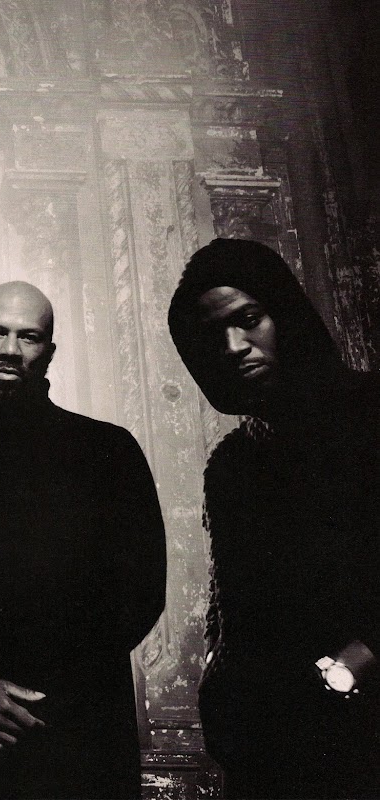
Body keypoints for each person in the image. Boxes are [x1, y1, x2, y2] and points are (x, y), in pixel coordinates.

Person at [168, 239, 379, 799]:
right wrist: (222, 694)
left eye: (248, 319)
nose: (234, 346)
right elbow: (237, 608)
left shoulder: (369, 412)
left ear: (283, 314)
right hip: (269, 752)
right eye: (214, 334)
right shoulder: (230, 463)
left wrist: (352, 665)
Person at [0, 281, 167, 800]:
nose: (9, 349)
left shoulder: (107, 450)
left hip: (79, 743)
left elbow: (139, 596)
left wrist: (21, 706)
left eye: (28, 336)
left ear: (49, 351)